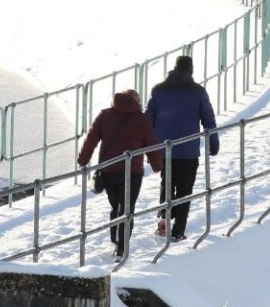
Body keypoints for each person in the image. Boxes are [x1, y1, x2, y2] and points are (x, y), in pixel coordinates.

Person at [76, 89, 162, 256]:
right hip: (133, 172)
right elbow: (151, 143)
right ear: (136, 102)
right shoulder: (142, 119)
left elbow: (91, 139)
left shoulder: (105, 115)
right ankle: (122, 246)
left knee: (116, 206)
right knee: (127, 208)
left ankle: (116, 242)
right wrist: (157, 165)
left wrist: (83, 160)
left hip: (110, 170)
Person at [146, 55, 219, 241]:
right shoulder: (198, 92)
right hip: (188, 150)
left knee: (166, 184)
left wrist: (147, 147)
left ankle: (164, 221)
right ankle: (178, 230)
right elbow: (208, 119)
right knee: (185, 189)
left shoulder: (159, 90)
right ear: (191, 70)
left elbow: (148, 120)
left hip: (165, 149)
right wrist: (213, 143)